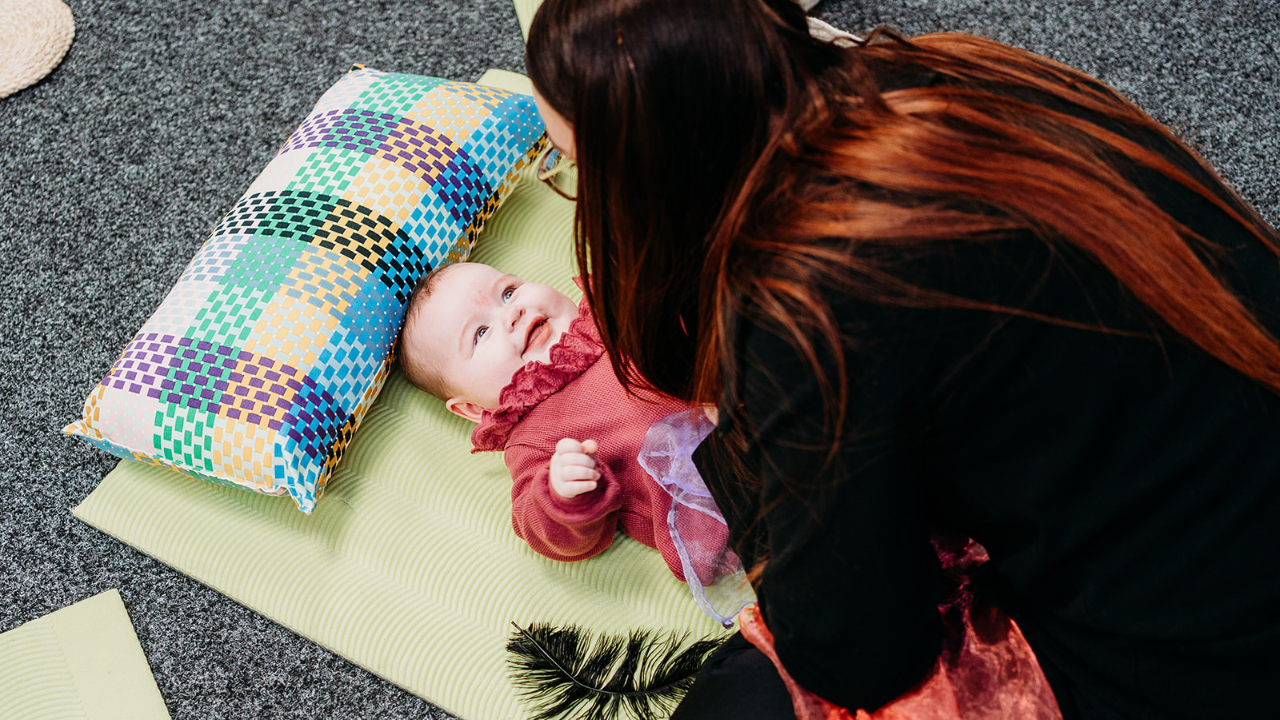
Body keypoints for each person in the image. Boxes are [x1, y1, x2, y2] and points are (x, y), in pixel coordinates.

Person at [524, 0, 1280, 718]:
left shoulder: (803, 296)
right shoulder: (948, 69)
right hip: (1232, 468)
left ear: (656, 169)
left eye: (580, 170)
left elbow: (857, 656)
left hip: (1210, 650)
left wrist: (735, 425)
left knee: (738, 698)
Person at [397, 261, 734, 587]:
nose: (512, 313)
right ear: (471, 408)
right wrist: (562, 493)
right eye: (481, 333)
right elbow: (540, 528)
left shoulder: (612, 309)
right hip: (721, 499)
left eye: (509, 292)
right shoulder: (533, 439)